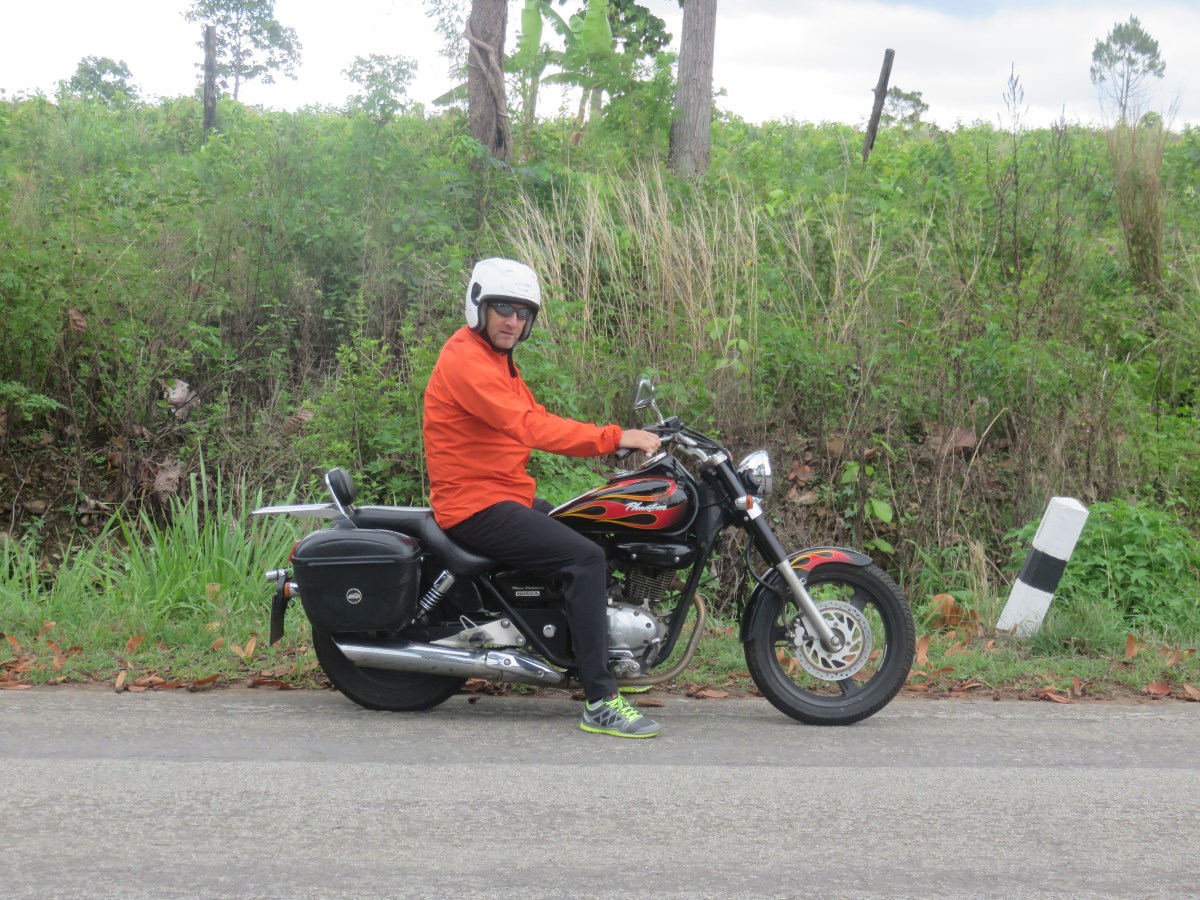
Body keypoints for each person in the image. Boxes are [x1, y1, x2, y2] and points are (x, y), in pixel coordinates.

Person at [422, 257, 663, 738]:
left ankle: (596, 657)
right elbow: (529, 426)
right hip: (474, 504)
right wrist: (614, 437)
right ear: (479, 307)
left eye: (522, 313)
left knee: (590, 532)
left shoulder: (495, 359)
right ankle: (600, 701)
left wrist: (620, 439)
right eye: (504, 309)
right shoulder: (466, 360)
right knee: (585, 558)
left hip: (502, 494)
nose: (513, 321)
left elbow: (536, 415)